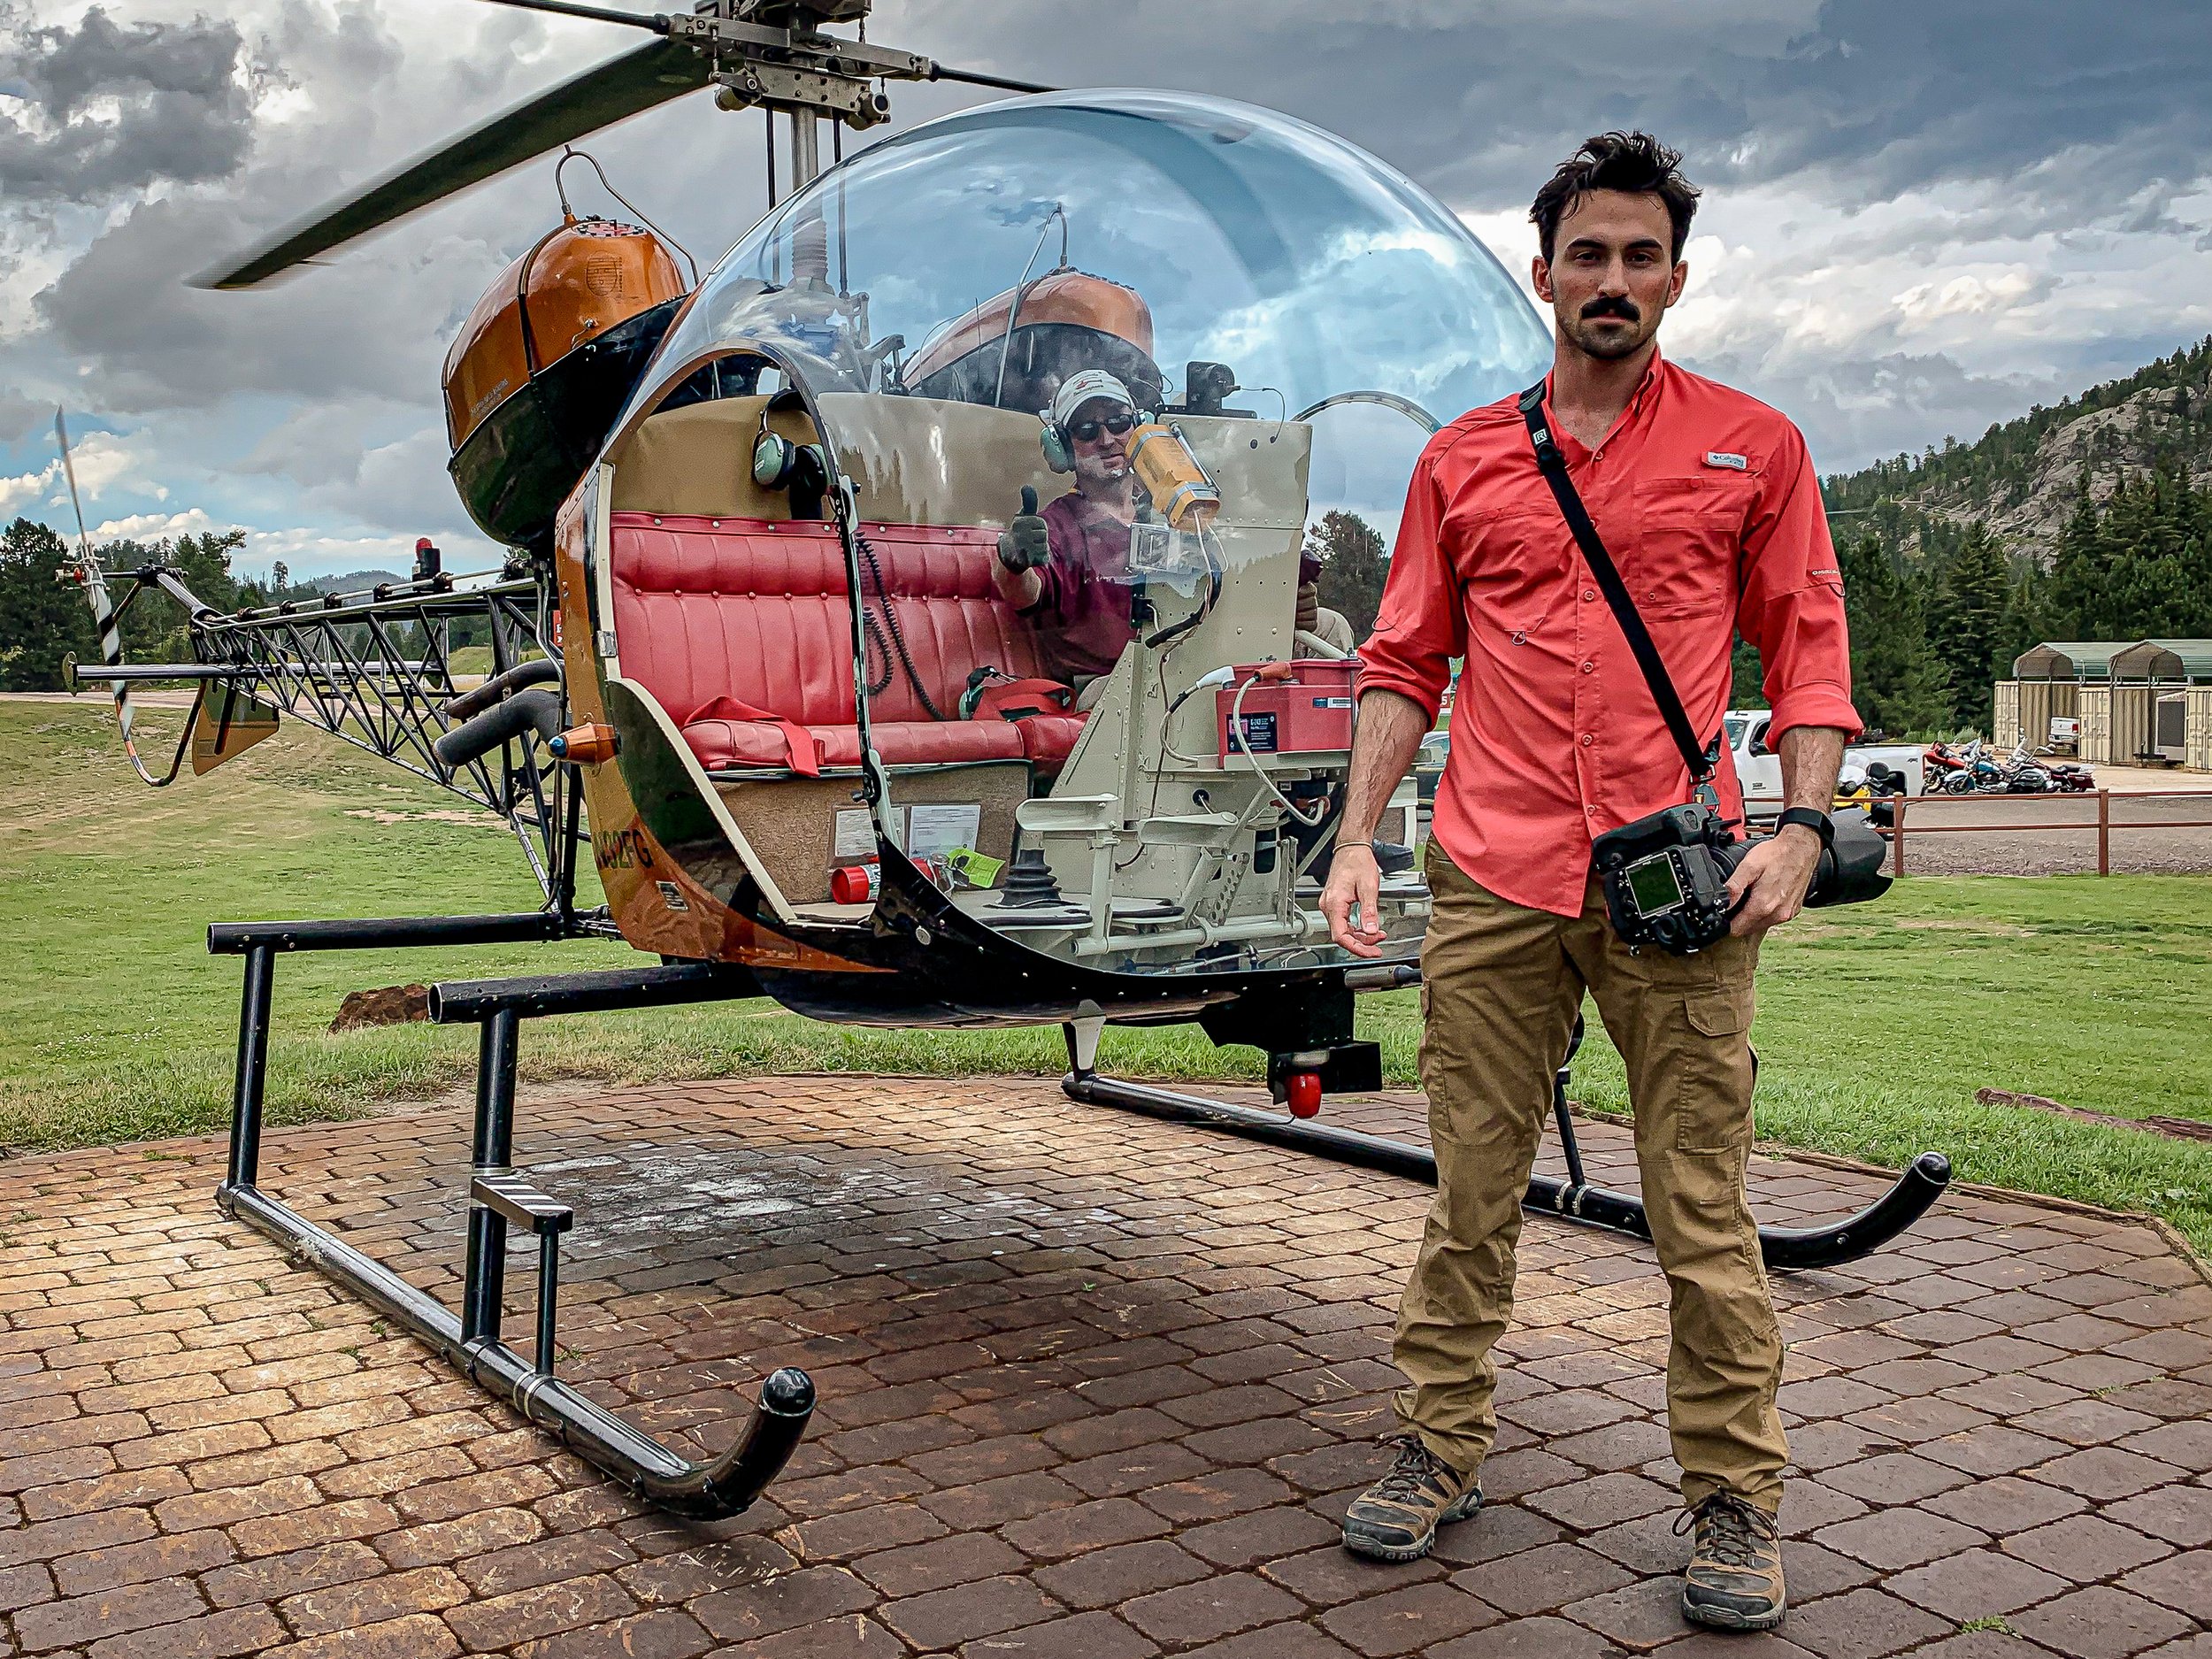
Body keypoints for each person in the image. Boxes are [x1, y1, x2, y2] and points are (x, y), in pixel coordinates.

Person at [1318, 131, 1856, 1635]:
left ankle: (1735, 1498)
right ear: (1544, 273)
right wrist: (1355, 835)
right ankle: (1438, 1447)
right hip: (1494, 872)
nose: (1611, 279)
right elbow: (1403, 660)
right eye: (1587, 255)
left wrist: (1803, 828)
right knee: (1469, 1186)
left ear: (1676, 279)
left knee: (1699, 1201)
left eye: (1639, 256)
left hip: (1678, 881)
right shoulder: (1462, 458)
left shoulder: (1755, 445)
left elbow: (1809, 648)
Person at [993, 370, 1148, 696]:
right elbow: (1025, 591)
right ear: (1062, 447)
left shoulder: (1171, 512)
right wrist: (1012, 560)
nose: (1107, 440)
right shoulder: (1057, 526)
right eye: (1086, 430)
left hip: (1185, 675)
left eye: (1118, 422)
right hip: (1106, 695)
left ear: (1138, 427)